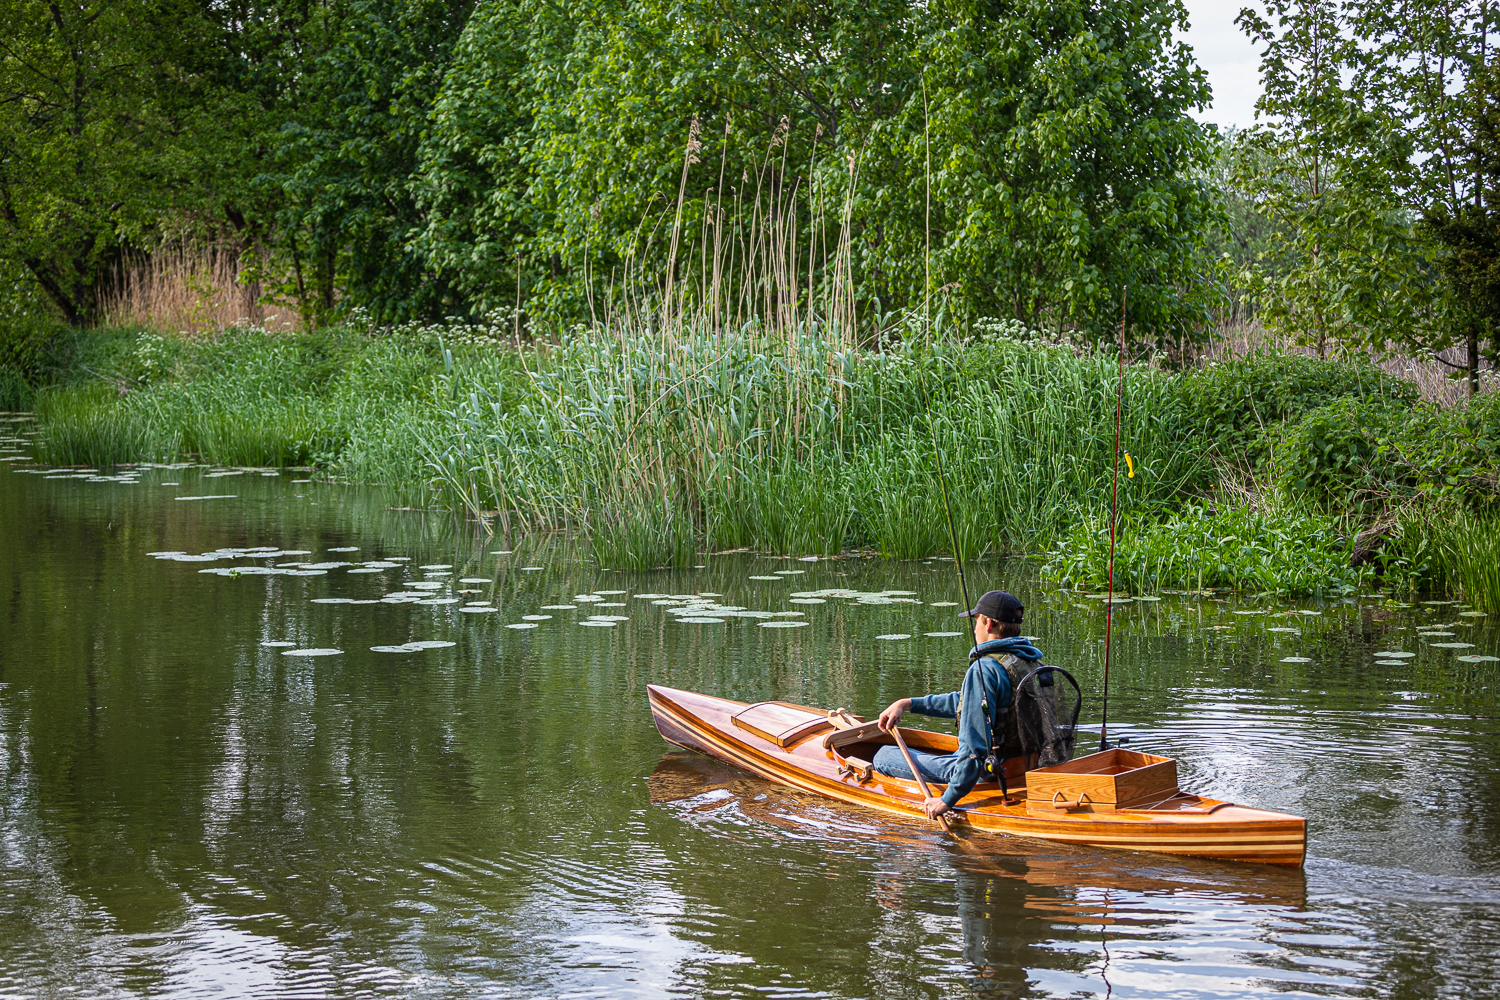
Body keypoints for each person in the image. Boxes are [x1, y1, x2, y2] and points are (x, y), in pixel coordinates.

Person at [873, 589, 1043, 820]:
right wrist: (908, 703)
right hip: (1023, 765)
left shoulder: (983, 670)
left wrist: (947, 800)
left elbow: (974, 751)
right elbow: (967, 701)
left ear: (989, 623)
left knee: (882, 756)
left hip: (990, 772)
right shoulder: (1026, 661)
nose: (974, 629)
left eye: (976, 622)